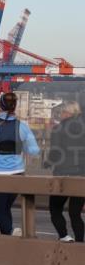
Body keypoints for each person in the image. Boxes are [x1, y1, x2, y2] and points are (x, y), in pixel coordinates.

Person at [0, 92, 41, 236]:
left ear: (0, 106)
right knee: (6, 209)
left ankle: (12, 232)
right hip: (17, 173)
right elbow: (34, 150)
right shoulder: (22, 126)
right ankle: (7, 241)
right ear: (15, 107)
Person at [45, 101, 84, 242]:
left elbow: (55, 152)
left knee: (55, 208)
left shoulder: (59, 128)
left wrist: (47, 163)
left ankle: (64, 236)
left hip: (63, 175)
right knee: (75, 213)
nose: (60, 115)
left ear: (67, 113)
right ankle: (80, 242)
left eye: (62, 112)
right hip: (81, 175)